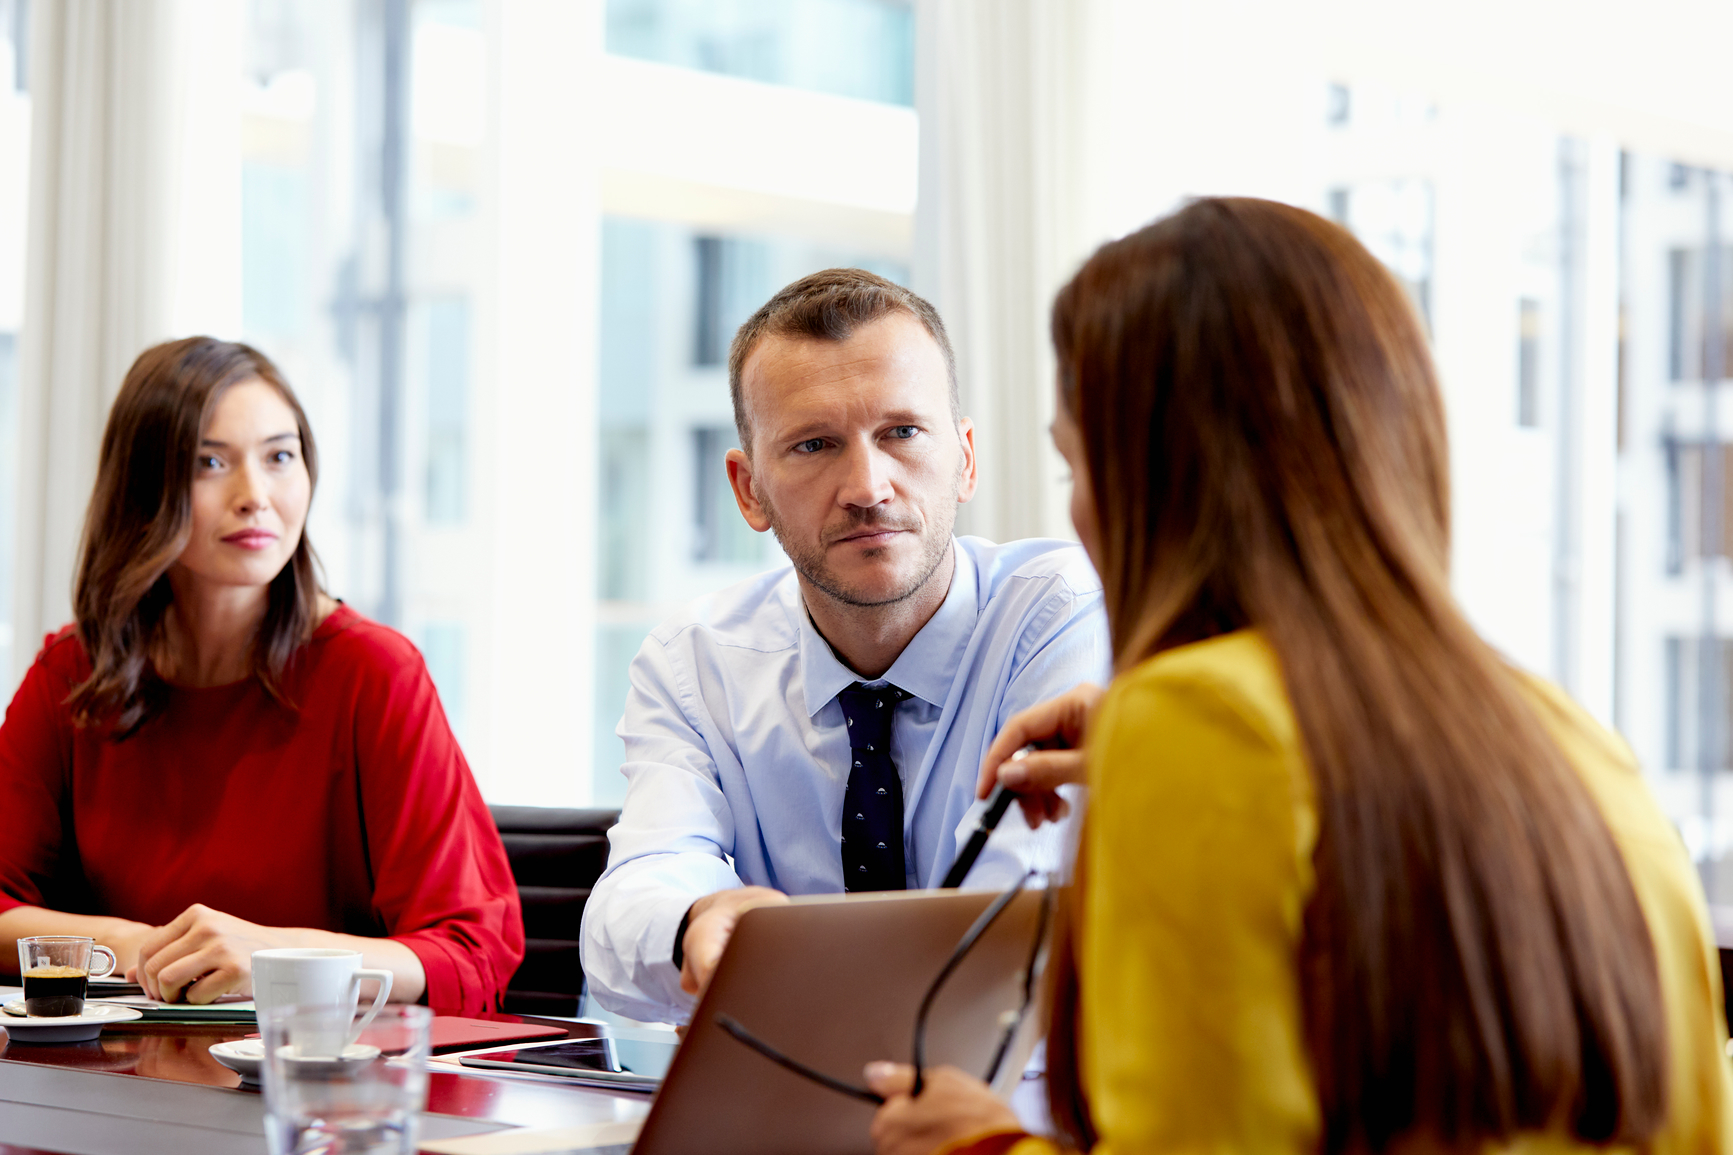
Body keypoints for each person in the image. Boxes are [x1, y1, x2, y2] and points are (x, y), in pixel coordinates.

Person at [863, 199, 1733, 1154]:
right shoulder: (1569, 736)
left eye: (1078, 462)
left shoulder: (1191, 724)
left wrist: (979, 1144)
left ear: (1154, 478)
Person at [580, 269, 1109, 1023]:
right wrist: (698, 918)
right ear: (747, 489)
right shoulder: (694, 662)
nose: (866, 485)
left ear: (963, 458)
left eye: (901, 432)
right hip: (786, 1110)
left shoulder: (1060, 614)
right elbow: (637, 892)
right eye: (814, 444)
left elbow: (1017, 923)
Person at [0, 337, 523, 1015]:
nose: (256, 496)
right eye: (209, 462)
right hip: (117, 1088)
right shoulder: (74, 672)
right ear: (142, 486)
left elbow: (471, 951)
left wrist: (277, 961)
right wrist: (142, 946)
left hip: (323, 1090)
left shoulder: (375, 672)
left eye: (280, 456)